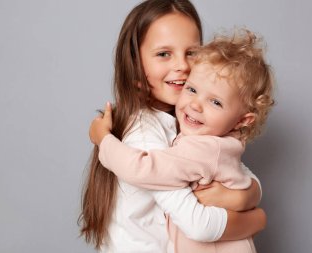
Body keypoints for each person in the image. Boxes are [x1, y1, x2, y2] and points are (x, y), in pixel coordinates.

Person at [80, 1, 266, 252]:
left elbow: (232, 167)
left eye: (192, 52)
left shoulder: (189, 120)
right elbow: (199, 225)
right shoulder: (145, 135)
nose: (183, 65)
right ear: (135, 66)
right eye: (164, 54)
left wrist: (247, 194)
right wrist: (256, 219)